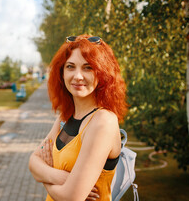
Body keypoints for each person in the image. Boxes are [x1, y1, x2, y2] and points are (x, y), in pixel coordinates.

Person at [29, 34, 128, 201]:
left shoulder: (103, 121)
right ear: (62, 72)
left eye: (88, 67)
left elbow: (71, 197)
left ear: (102, 73)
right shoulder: (65, 116)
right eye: (70, 66)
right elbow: (33, 162)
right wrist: (61, 178)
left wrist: (44, 177)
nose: (77, 76)